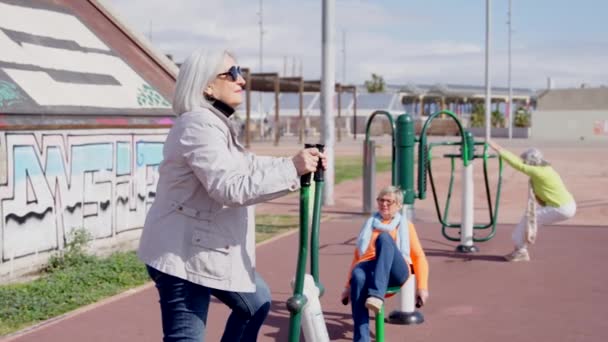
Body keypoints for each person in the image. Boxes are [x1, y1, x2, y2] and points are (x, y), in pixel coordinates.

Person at [137, 48, 326, 342]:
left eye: (242, 73)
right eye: (233, 74)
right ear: (207, 85)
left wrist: (295, 163)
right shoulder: (197, 124)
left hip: (207, 249)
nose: (242, 81)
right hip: (181, 255)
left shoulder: (216, 124)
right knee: (186, 338)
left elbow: (247, 164)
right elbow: (228, 187)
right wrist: (291, 169)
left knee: (257, 302)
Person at [340, 185, 429, 342]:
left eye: (389, 201)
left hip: (396, 271)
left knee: (384, 238)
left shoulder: (406, 226)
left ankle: (376, 295)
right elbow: (357, 257)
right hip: (370, 268)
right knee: (358, 275)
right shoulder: (369, 224)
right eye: (381, 200)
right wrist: (348, 286)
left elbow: (419, 257)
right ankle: (361, 338)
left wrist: (422, 287)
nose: (384, 204)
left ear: (399, 205)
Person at [488, 140, 576, 262]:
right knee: (530, 219)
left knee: (529, 220)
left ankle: (520, 250)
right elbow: (519, 162)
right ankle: (521, 249)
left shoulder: (538, 172)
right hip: (565, 205)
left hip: (561, 208)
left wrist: (497, 148)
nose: (524, 162)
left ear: (531, 162)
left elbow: (518, 165)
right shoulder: (545, 167)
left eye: (526, 161)